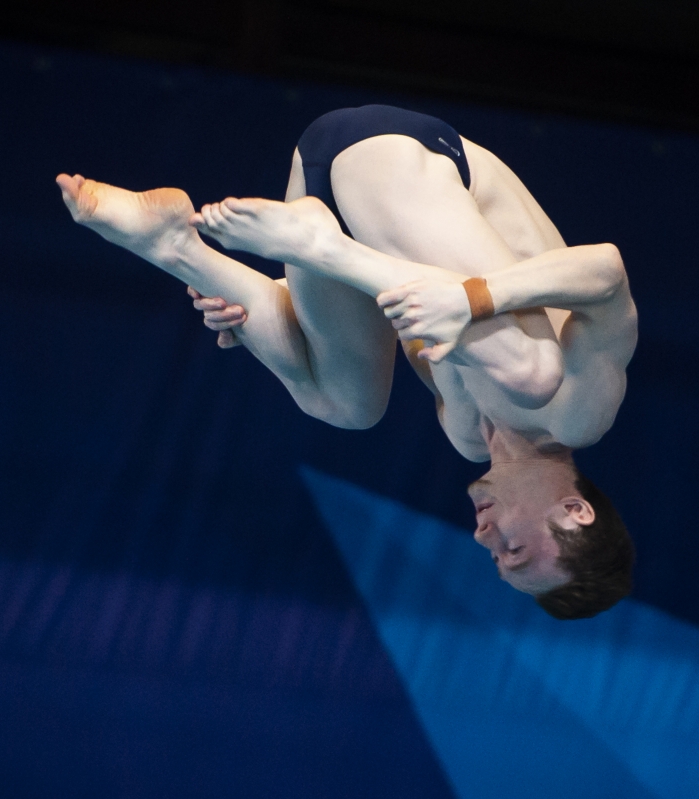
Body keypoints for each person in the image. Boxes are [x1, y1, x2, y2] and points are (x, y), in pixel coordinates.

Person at [56, 105, 637, 619]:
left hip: (324, 182)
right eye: (515, 549)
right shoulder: (579, 416)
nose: (484, 536)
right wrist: (475, 300)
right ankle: (320, 247)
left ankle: (171, 245)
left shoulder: (464, 433)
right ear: (574, 511)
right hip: (401, 159)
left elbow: (393, 304)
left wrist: (266, 318)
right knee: (533, 375)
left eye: (495, 558)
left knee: (346, 405)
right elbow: (606, 271)